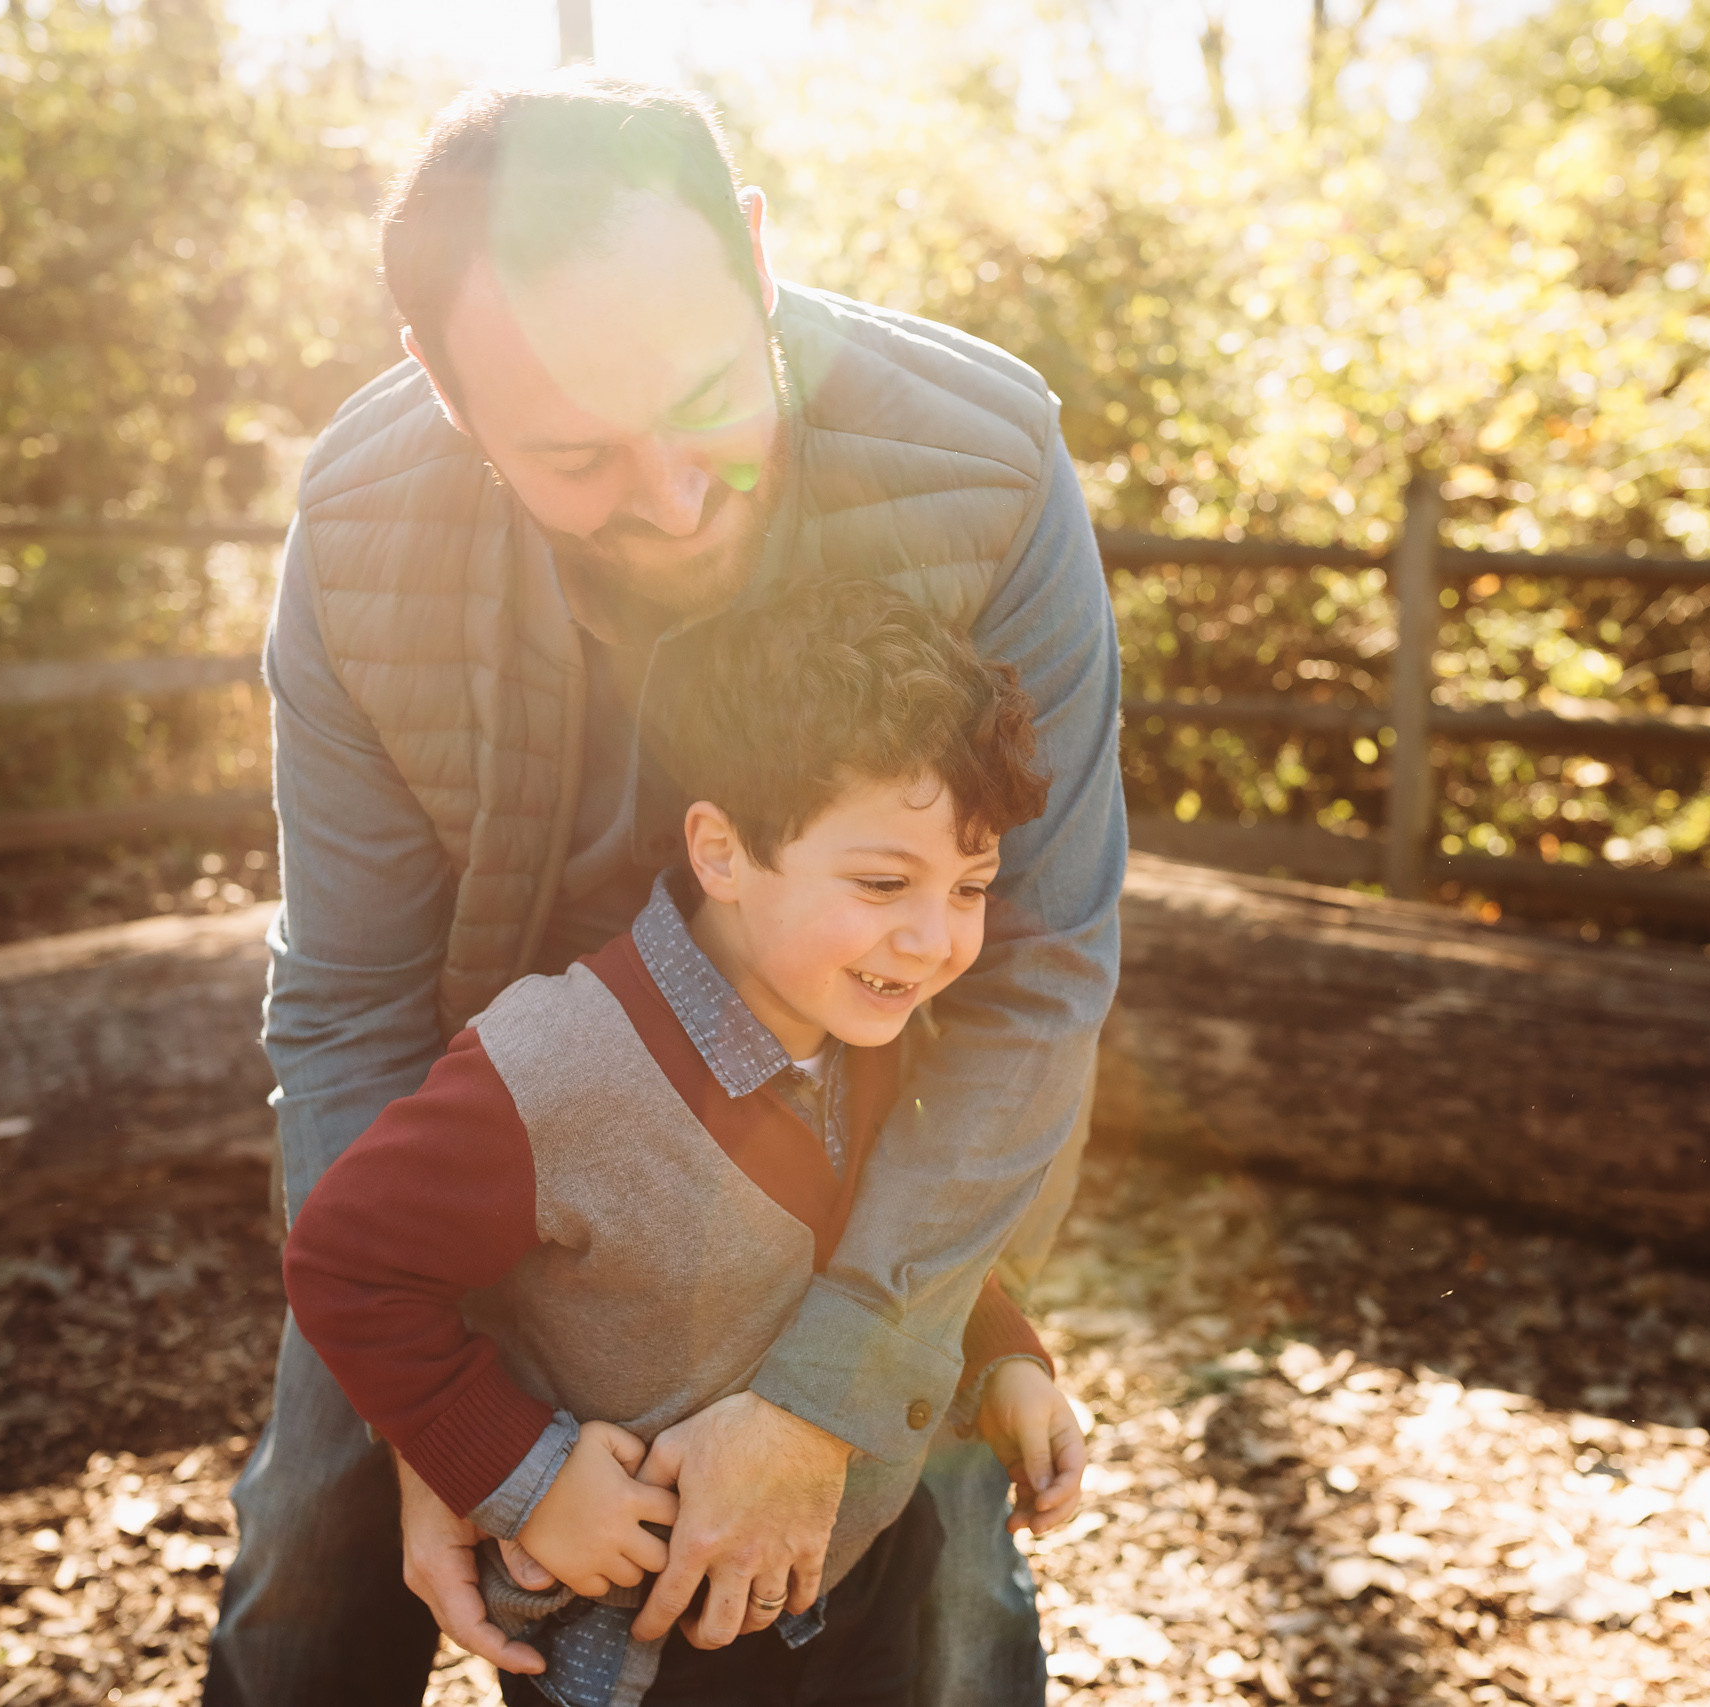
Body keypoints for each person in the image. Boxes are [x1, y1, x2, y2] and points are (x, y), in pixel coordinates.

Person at [204, 70, 1126, 1707]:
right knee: (308, 1557)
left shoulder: (986, 465)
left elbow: (1037, 975)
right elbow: (343, 1000)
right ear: (442, 388)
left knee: (954, 1581)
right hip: (487, 1145)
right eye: (575, 456)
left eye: (709, 395)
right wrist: (451, 1423)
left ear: (756, 255)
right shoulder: (358, 524)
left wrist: (839, 1389)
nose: (679, 495)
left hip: (840, 1144)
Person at [281, 584, 1090, 1707]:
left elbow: (885, 1218)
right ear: (719, 850)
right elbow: (347, 1264)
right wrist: (524, 1476)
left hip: (860, 1584)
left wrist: (997, 1355)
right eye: (882, 882)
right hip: (652, 1652)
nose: (933, 938)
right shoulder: (553, 1066)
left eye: (972, 887)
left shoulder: (868, 1018)